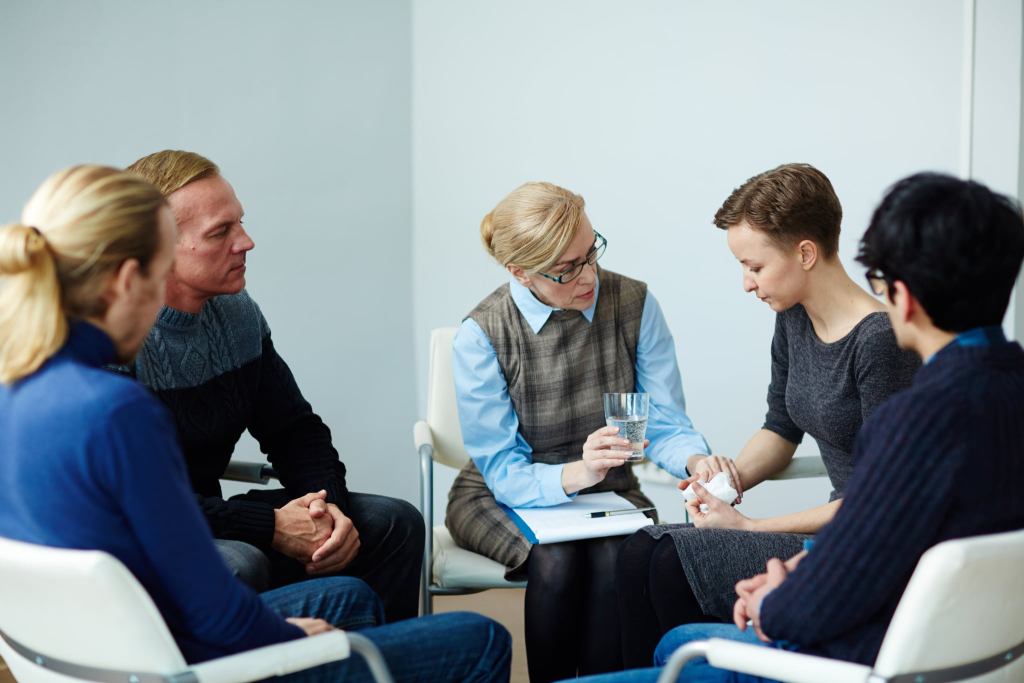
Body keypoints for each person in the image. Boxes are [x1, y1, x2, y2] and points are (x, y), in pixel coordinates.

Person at [0, 164, 511, 683]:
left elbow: (295, 429)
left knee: (374, 552)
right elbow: (207, 607)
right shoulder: (113, 407)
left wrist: (321, 507)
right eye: (155, 279)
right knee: (479, 633)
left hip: (95, 649)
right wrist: (289, 640)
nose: (244, 242)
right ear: (133, 279)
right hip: (176, 657)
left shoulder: (15, 382)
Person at [573, 171, 1024, 683]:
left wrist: (777, 591)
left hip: (867, 651)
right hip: (961, 638)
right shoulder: (1006, 385)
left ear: (903, 295)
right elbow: (881, 532)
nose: (748, 281)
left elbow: (856, 561)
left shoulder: (912, 417)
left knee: (677, 638)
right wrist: (745, 501)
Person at [616, 163, 920, 667]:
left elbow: (880, 501)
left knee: (666, 558)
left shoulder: (881, 342)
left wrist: (748, 526)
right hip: (829, 530)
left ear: (805, 253)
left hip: (856, 542)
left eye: (754, 267)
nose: (746, 284)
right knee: (639, 553)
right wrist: (725, 482)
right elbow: (780, 428)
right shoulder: (793, 317)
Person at [123, 150, 423, 622]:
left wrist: (329, 513)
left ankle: (381, 664)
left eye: (239, 223)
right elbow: (138, 498)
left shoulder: (237, 314)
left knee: (394, 523)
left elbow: (294, 431)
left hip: (211, 519)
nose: (246, 242)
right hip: (141, 534)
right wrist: (273, 526)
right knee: (241, 561)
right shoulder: (113, 338)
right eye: (221, 232)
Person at [445, 181, 712, 681]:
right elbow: (502, 468)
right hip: (499, 495)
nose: (589, 275)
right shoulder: (482, 334)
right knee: (558, 561)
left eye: (591, 253)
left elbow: (666, 424)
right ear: (520, 273)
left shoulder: (635, 303)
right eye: (567, 270)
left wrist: (699, 461)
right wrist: (579, 471)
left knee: (619, 558)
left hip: (608, 491)